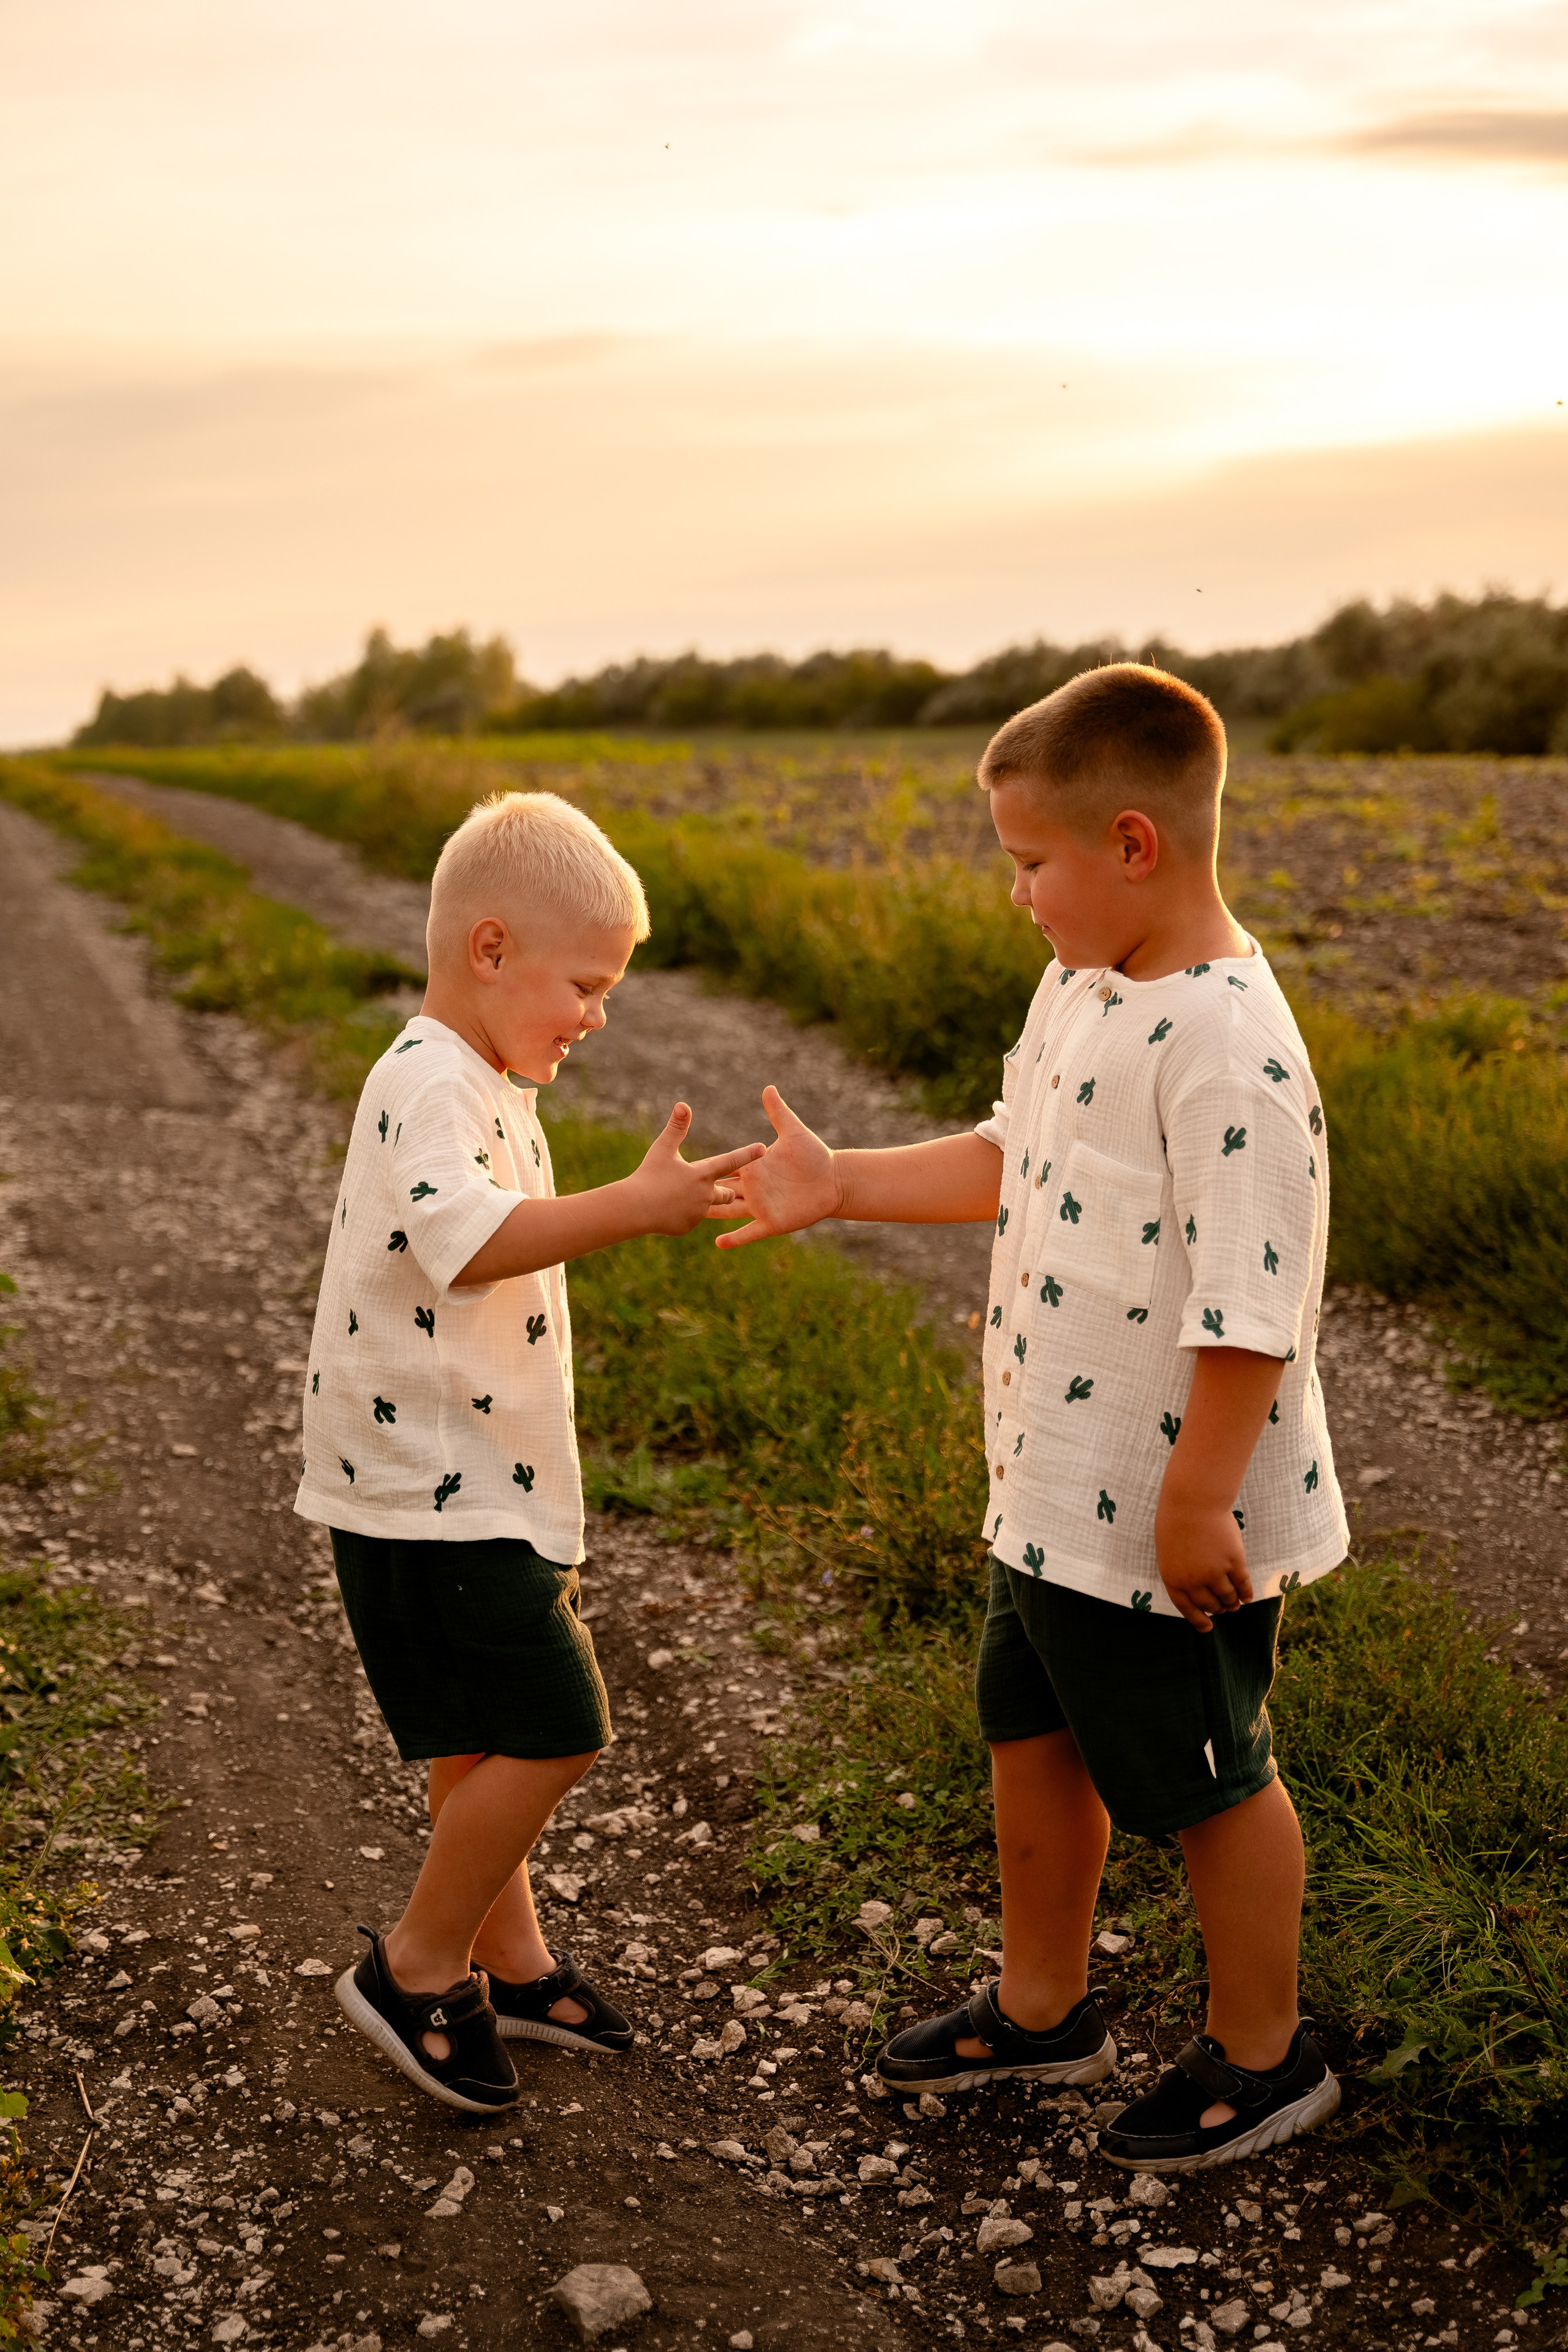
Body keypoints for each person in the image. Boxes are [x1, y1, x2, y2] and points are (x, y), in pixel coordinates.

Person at [714, 664, 1348, 2171]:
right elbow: (1020, 1153)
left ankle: (1265, 2054)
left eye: (1025, 863)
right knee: (1032, 1739)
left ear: (1131, 844)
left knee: (1206, 1778)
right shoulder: (1080, 985)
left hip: (1157, 1512)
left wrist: (1196, 1501)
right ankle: (1044, 2007)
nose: (1014, 896)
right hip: (1052, 1490)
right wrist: (844, 1181)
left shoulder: (1230, 1056)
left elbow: (1252, 1311)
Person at [295, 790, 761, 2113]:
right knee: (556, 1730)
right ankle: (415, 1963)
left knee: (475, 1736)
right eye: (586, 983)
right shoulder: (429, 1079)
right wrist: (632, 1206)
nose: (597, 1014)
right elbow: (468, 1237)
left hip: (469, 1482)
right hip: (426, 1494)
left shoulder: (478, 1073)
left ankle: (508, 1957)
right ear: (489, 950)